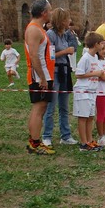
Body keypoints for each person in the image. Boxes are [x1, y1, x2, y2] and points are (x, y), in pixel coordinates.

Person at [42, 8, 78, 148]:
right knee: (51, 106)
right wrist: (65, 51)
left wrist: (71, 41)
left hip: (64, 71)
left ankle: (66, 135)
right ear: (61, 20)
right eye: (67, 19)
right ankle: (47, 136)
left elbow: (74, 47)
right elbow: (49, 57)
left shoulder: (65, 35)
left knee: (64, 106)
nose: (69, 21)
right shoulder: (50, 35)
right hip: (55, 72)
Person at [24, 0, 56, 155]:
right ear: (44, 13)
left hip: (44, 75)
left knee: (40, 108)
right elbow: (33, 56)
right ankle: (35, 144)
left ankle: (33, 141)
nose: (51, 12)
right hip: (40, 76)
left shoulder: (39, 28)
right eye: (50, 10)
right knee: (39, 108)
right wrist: (42, 78)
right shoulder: (34, 30)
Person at [73, 32, 104, 152]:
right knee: (83, 117)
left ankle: (90, 140)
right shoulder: (85, 57)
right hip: (83, 91)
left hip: (92, 91)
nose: (102, 46)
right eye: (101, 43)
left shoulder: (95, 57)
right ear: (96, 44)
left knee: (91, 116)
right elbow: (78, 74)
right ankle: (83, 142)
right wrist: (94, 74)